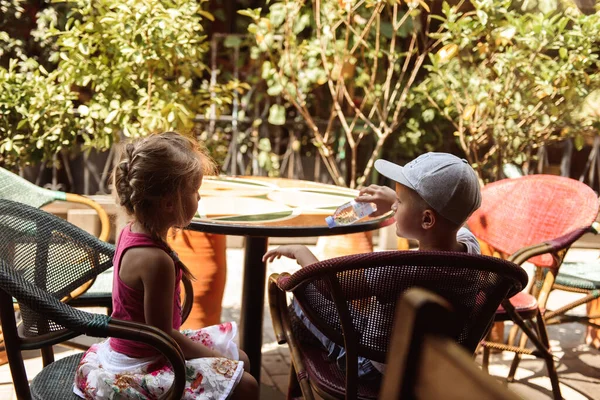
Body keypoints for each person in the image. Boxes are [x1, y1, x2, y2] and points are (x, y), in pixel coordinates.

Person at [262, 152, 482, 378]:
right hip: (432, 368)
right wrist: (394, 200)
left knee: (303, 293)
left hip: (373, 366)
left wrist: (302, 252)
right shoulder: (470, 248)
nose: (394, 207)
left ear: (427, 219)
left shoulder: (397, 270)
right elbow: (451, 224)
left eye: (399, 202)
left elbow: (330, 286)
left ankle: (310, 338)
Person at [74, 132, 258, 400]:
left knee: (239, 359)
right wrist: (217, 359)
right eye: (195, 191)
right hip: (143, 363)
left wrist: (223, 361)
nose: (199, 198)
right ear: (170, 203)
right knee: (247, 384)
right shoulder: (156, 261)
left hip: (137, 348)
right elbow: (163, 337)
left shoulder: (131, 230)